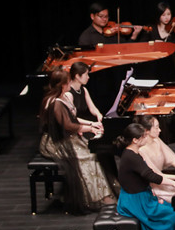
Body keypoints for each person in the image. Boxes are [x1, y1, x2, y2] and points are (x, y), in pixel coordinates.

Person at [38, 68, 116, 213]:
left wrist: (91, 124)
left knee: (95, 151)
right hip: (55, 142)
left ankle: (103, 194)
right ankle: (93, 198)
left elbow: (72, 119)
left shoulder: (65, 97)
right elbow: (68, 125)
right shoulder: (54, 102)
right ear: (63, 85)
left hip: (66, 137)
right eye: (68, 82)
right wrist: (89, 129)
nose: (70, 84)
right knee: (88, 157)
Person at [78, 2, 144, 48]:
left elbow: (126, 49)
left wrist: (134, 36)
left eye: (106, 16)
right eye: (101, 16)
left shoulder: (115, 33)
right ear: (92, 16)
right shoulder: (86, 37)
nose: (104, 19)